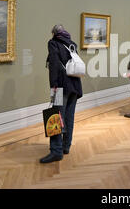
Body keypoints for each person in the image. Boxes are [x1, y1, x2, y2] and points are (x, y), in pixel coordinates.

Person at [41, 24, 83, 164]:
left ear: (53, 33)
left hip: (59, 87)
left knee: (55, 117)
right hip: (75, 86)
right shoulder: (72, 44)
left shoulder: (53, 43)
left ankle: (56, 151)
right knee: (69, 117)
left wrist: (53, 85)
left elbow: (53, 64)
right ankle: (66, 146)